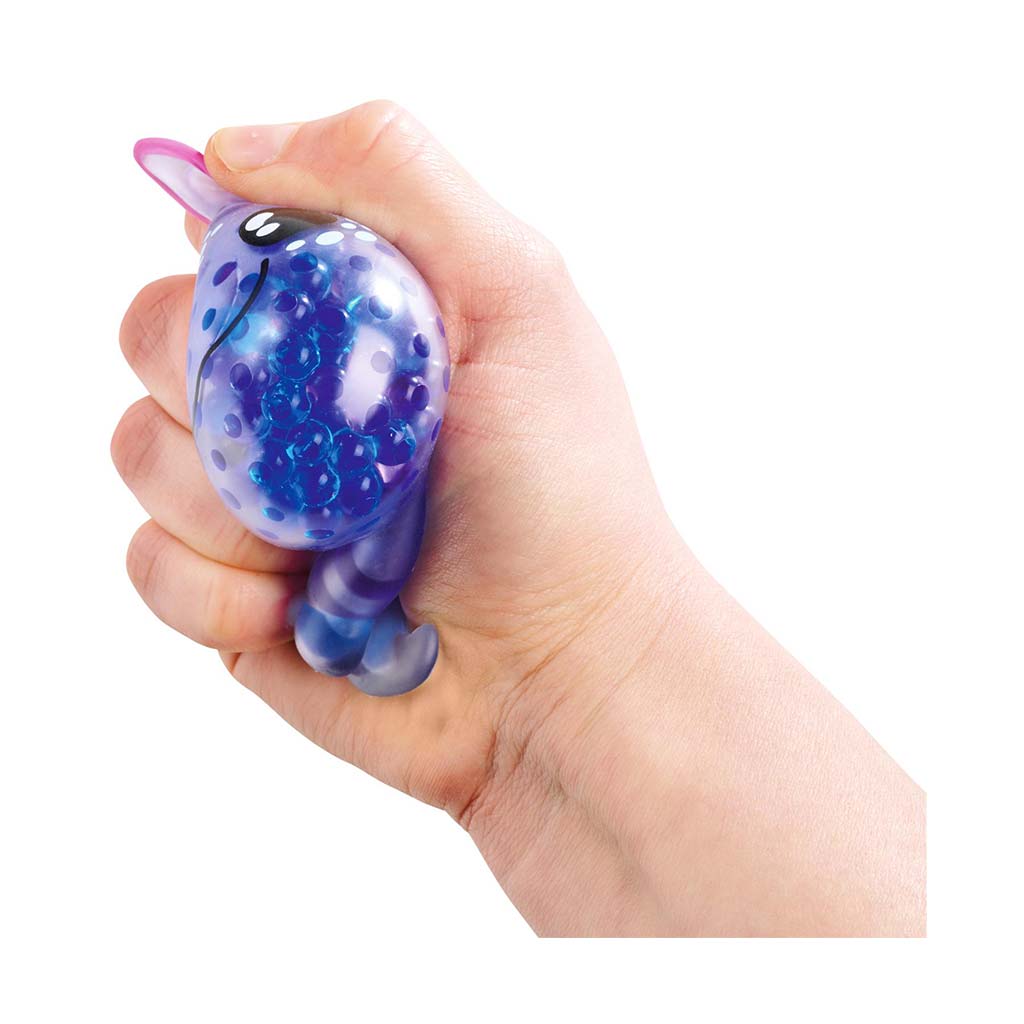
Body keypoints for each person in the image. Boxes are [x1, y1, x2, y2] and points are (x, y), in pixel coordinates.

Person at [112, 102, 925, 937]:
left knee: (363, 576)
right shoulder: (277, 279)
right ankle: (345, 626)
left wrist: (570, 661)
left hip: (363, 490)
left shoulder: (309, 263)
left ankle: (346, 625)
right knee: (355, 579)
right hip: (348, 504)